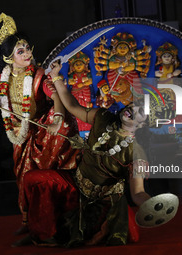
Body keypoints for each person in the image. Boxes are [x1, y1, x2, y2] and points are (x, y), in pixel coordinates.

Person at [0, 13, 80, 236]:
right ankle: (28, 222)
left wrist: (57, 119)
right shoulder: (2, 78)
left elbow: (55, 96)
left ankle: (57, 218)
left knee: (46, 177)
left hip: (44, 135)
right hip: (19, 135)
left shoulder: (38, 75)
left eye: (28, 49)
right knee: (23, 177)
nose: (27, 54)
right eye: (21, 51)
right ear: (9, 58)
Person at [39, 61, 152, 247]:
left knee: (123, 237)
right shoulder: (103, 117)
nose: (133, 110)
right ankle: (36, 229)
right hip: (77, 183)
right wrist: (57, 76)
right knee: (35, 180)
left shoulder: (137, 153)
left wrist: (152, 205)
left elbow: (138, 192)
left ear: (142, 125)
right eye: (134, 105)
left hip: (108, 200)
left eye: (141, 113)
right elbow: (72, 105)